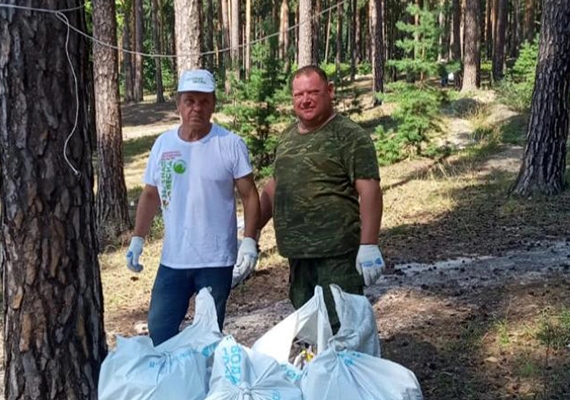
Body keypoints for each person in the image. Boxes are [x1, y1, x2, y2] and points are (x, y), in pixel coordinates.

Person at [126, 69, 261, 345]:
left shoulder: (230, 144)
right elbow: (151, 194)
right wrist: (138, 239)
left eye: (204, 101)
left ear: (213, 105)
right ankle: (171, 384)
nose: (196, 108)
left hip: (216, 259)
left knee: (207, 336)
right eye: (189, 101)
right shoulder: (163, 144)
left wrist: (249, 240)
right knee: (160, 330)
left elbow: (250, 195)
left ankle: (204, 384)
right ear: (178, 105)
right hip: (174, 258)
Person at [250, 65, 385, 329]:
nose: (306, 99)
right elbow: (274, 189)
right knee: (310, 328)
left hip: (337, 257)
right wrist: (250, 234)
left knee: (342, 328)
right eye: (299, 94)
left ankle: (349, 370)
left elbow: (369, 190)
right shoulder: (287, 138)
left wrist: (369, 245)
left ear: (329, 91)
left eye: (313, 92)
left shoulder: (349, 136)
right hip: (298, 258)